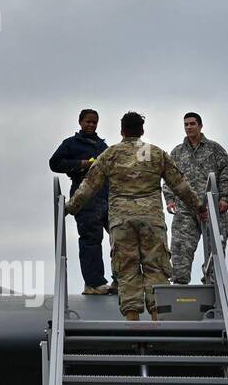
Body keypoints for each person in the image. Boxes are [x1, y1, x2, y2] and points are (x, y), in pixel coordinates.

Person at [66, 112, 207, 321]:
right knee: (156, 268)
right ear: (142, 131)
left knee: (127, 270)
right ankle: (158, 320)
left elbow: (88, 187)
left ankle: (133, 322)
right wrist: (199, 207)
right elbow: (180, 184)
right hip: (152, 221)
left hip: (121, 222)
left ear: (122, 131)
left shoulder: (110, 155)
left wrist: (69, 207)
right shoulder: (156, 154)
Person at [162, 112, 228, 285]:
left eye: (192, 124)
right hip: (185, 208)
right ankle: (179, 284)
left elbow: (226, 173)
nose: (189, 127)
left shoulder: (215, 149)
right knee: (180, 247)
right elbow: (169, 177)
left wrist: (225, 197)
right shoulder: (177, 152)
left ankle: (213, 283)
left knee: (215, 249)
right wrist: (170, 199)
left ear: (200, 126)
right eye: (186, 124)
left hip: (212, 207)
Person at [49, 109, 113, 294]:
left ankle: (120, 280)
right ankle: (94, 283)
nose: (91, 125)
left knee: (119, 238)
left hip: (106, 196)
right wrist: (81, 164)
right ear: (80, 122)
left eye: (94, 122)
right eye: (88, 122)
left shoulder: (103, 146)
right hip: (84, 198)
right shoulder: (71, 144)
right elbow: (55, 163)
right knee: (91, 239)